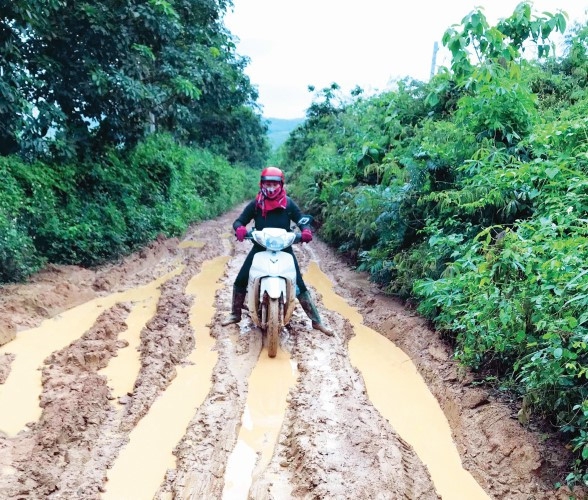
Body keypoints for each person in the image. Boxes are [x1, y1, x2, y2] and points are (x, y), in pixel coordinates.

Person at [222, 166, 331, 334]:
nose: (271, 188)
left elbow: (301, 219)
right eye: (267, 184)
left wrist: (306, 230)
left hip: (285, 249)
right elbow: (239, 221)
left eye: (274, 184)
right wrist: (240, 229)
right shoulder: (257, 204)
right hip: (260, 248)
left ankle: (316, 321)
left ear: (281, 184)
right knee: (241, 279)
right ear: (261, 184)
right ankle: (235, 314)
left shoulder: (288, 203)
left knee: (299, 285)